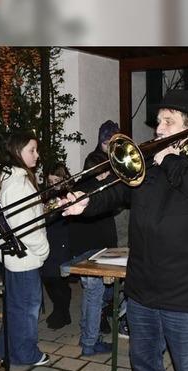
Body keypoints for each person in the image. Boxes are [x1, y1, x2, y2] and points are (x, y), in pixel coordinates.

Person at [62, 90, 188, 371]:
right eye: (158, 121)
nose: (158, 129)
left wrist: (170, 160)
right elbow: (117, 192)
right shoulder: (149, 166)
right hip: (141, 291)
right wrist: (86, 201)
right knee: (143, 369)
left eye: (168, 121)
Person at [0, 132, 50, 366]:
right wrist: (43, 249)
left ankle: (7, 350)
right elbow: (23, 226)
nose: (37, 155)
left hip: (16, 255)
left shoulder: (13, 178)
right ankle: (25, 354)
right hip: (24, 256)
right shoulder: (18, 183)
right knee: (26, 308)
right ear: (17, 153)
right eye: (31, 150)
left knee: (15, 306)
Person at [70, 150, 119, 356]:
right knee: (94, 297)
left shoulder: (79, 187)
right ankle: (90, 343)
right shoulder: (96, 190)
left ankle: (87, 337)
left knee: (91, 296)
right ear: (99, 172)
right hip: (93, 254)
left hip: (83, 253)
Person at [41, 162, 72, 330]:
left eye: (57, 180)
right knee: (48, 277)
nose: (54, 185)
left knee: (57, 277)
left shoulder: (69, 193)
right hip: (48, 237)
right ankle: (61, 309)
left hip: (61, 238)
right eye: (51, 181)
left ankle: (61, 310)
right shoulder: (46, 194)